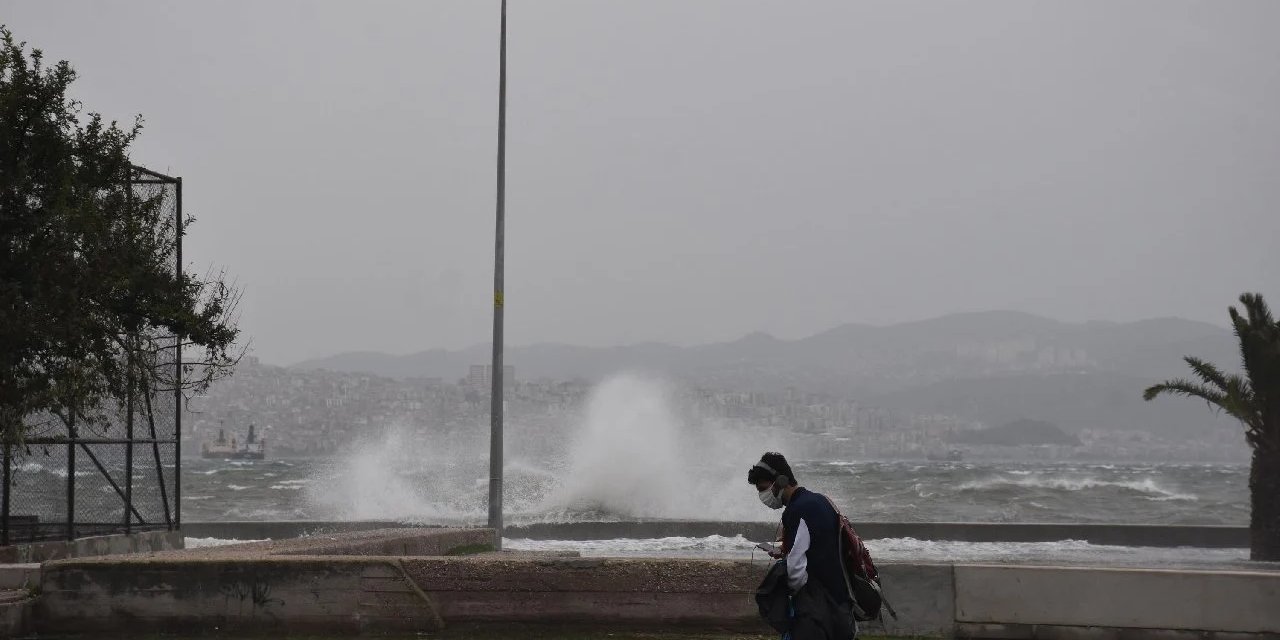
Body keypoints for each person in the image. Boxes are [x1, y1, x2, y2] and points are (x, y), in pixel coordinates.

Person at [749, 452, 855, 640]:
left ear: (781, 481)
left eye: (763, 489)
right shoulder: (820, 500)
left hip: (817, 609)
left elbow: (796, 568)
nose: (762, 496)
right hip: (839, 601)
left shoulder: (799, 509)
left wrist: (791, 594)